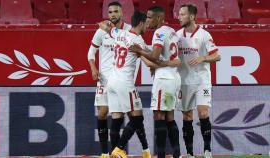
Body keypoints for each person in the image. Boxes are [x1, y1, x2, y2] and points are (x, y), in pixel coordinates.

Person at [87, 2, 150, 158]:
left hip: (120, 78)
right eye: (110, 12)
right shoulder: (102, 32)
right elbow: (90, 53)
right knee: (104, 113)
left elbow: (139, 54)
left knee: (128, 115)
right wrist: (94, 68)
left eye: (116, 11)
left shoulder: (127, 30)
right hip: (106, 78)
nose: (112, 14)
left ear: (122, 13)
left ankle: (143, 149)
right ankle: (106, 153)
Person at [130, 6, 182, 158]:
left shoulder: (159, 32)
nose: (147, 20)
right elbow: (166, 56)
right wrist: (165, 62)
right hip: (173, 78)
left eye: (150, 17)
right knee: (170, 117)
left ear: (159, 18)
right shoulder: (172, 31)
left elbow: (154, 55)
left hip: (164, 79)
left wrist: (139, 50)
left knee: (159, 116)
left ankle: (160, 155)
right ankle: (176, 154)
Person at [176, 3, 221, 158]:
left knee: (203, 112)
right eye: (179, 14)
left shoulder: (204, 35)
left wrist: (203, 57)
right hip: (184, 81)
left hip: (202, 80)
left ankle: (207, 150)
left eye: (182, 14)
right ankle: (189, 153)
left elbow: (217, 55)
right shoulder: (177, 35)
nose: (179, 17)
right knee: (187, 116)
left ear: (192, 16)